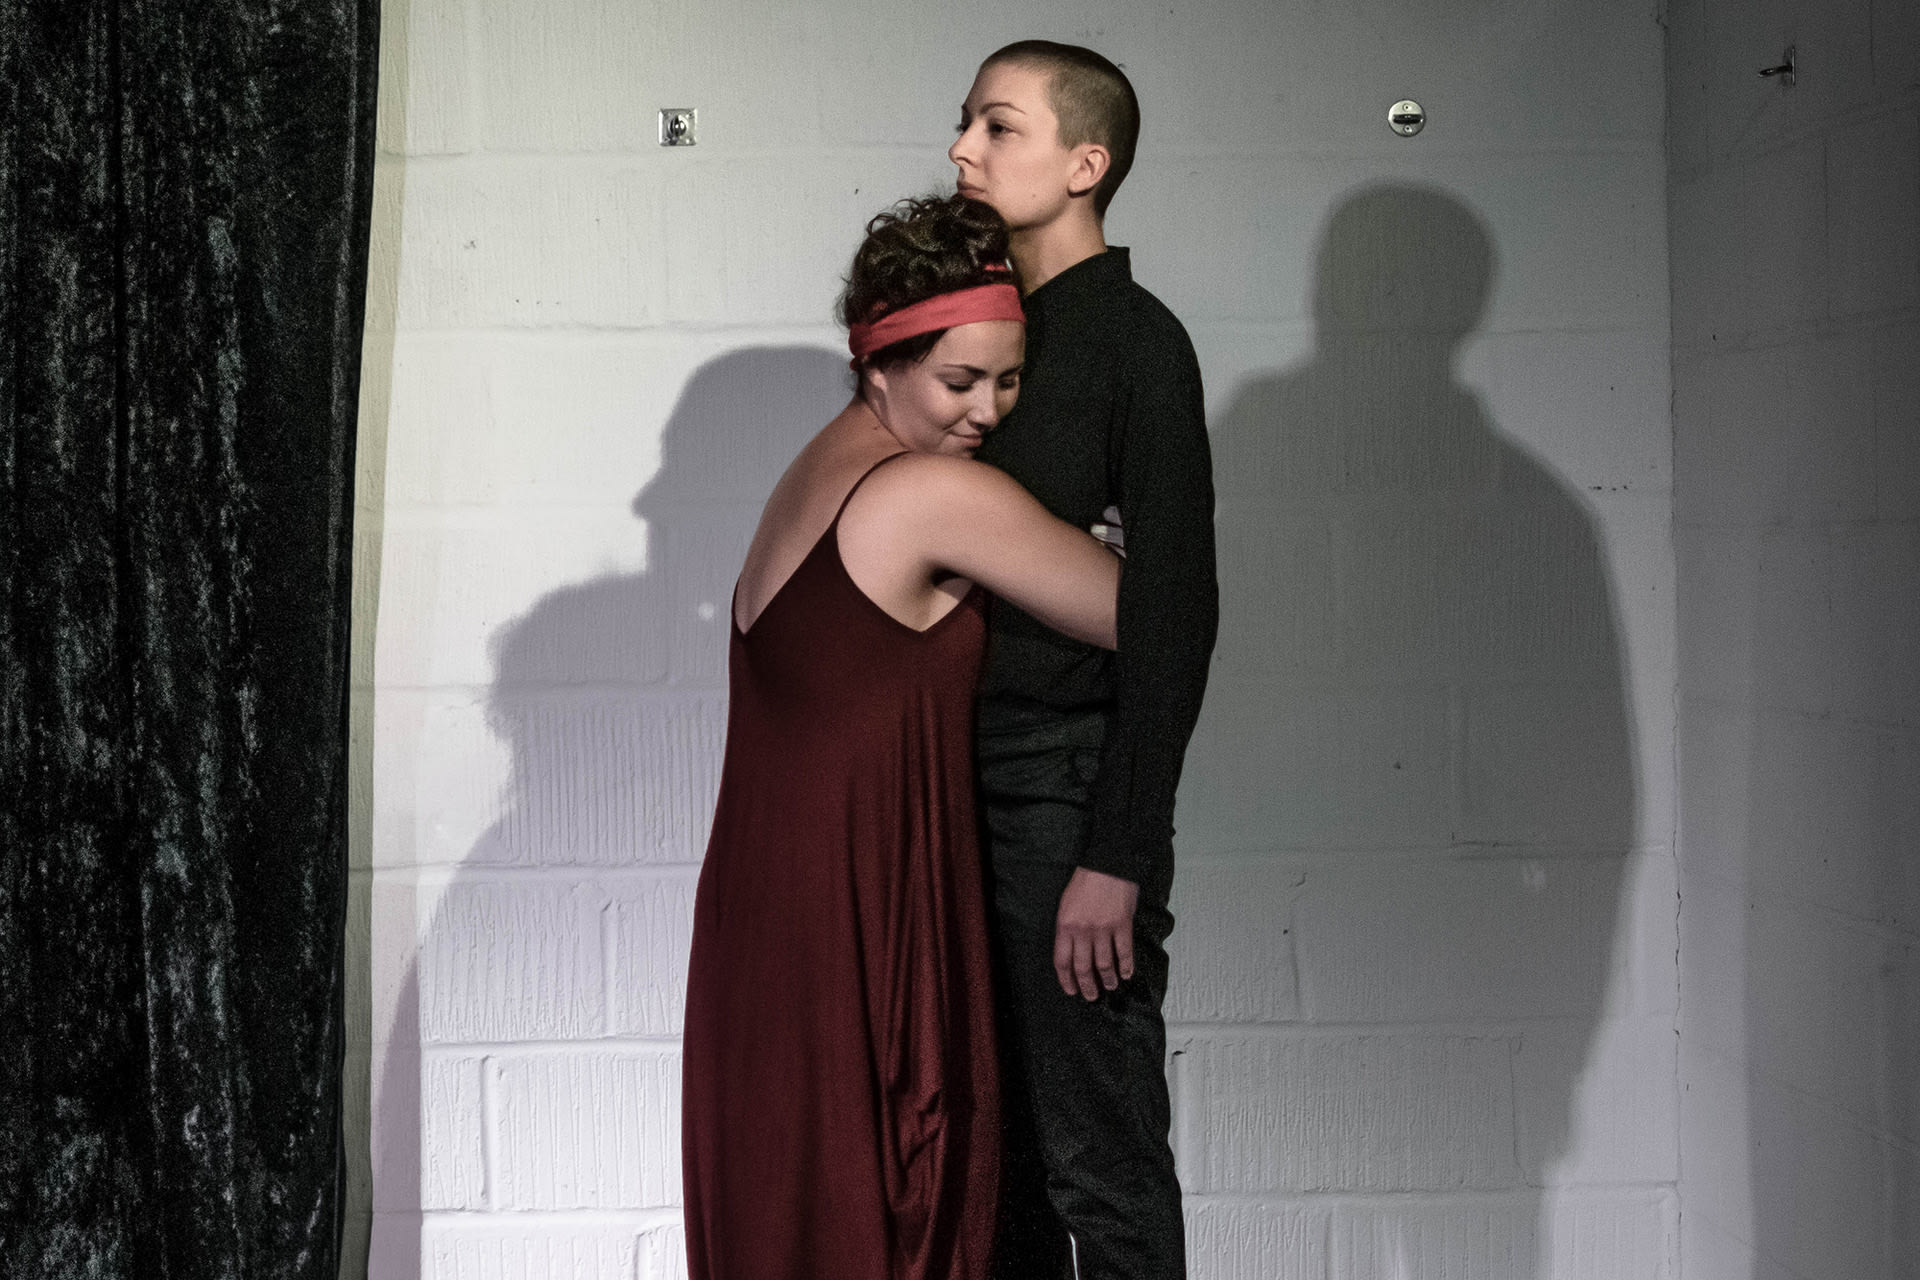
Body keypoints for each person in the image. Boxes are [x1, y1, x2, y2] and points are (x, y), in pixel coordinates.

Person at [679, 194, 1126, 1280]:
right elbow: (1143, 612)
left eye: (1010, 378)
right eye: (959, 381)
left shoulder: (814, 471)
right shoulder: (931, 492)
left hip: (761, 928)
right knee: (891, 1205)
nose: (990, 409)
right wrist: (1081, 526)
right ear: (876, 358)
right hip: (857, 917)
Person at [949, 41, 1219, 1280]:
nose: (964, 148)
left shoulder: (1134, 343)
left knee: (1097, 1163)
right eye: (967, 125)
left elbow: (1176, 613)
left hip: (1067, 797)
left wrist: (1115, 851)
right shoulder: (984, 334)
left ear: (1085, 163)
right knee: (989, 1164)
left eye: (998, 128)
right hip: (959, 790)